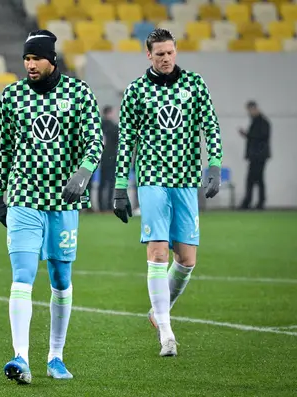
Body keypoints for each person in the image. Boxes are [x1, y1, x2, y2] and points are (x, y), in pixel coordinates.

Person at [0, 30, 103, 384]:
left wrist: (83, 173)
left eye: (35, 58)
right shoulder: (11, 97)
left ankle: (55, 356)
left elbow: (95, 141)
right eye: (26, 59)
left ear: (51, 59)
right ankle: (20, 357)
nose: (29, 64)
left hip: (62, 202)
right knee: (22, 275)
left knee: (60, 278)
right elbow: (3, 150)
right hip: (24, 197)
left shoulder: (79, 93)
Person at [113, 28, 223, 357]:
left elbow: (211, 125)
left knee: (186, 260)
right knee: (158, 254)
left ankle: (158, 312)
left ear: (176, 52)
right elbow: (126, 142)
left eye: (170, 52)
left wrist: (214, 164)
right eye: (159, 53)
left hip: (186, 180)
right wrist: (121, 186)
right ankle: (166, 332)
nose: (165, 58)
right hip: (152, 179)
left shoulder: (194, 84)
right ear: (149, 55)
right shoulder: (136, 91)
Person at [238, 100, 270, 210]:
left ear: (254, 108)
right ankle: (254, 202)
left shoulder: (262, 122)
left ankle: (252, 202)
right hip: (256, 156)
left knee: (254, 180)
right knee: (256, 180)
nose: (249, 113)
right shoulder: (257, 122)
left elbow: (260, 137)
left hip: (259, 156)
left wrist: (247, 135)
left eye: (250, 110)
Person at [98, 105, 118, 212]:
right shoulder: (114, 127)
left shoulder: (99, 125)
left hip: (100, 159)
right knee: (110, 183)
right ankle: (109, 206)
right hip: (112, 159)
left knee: (101, 184)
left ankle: (100, 206)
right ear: (110, 113)